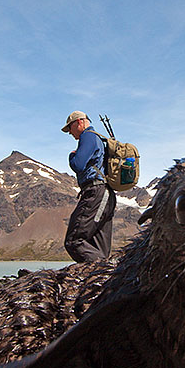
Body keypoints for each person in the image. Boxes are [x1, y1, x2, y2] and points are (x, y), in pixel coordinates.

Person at [61, 111, 116, 262]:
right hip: (105, 194)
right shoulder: (97, 138)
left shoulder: (88, 136)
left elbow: (78, 164)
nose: (70, 133)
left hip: (96, 192)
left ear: (79, 122)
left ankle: (106, 270)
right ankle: (105, 281)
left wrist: (72, 155)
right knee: (100, 249)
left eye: (69, 128)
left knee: (74, 241)